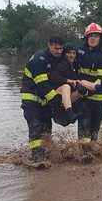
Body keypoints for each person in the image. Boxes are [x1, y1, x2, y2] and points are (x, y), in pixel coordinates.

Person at [20, 36, 65, 168]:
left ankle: (47, 151)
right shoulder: (39, 59)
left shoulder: (56, 60)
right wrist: (56, 99)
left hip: (44, 100)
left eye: (61, 48)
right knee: (35, 126)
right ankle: (37, 157)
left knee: (46, 127)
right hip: (31, 98)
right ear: (49, 45)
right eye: (56, 48)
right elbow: (43, 84)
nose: (58, 51)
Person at [77, 23, 102, 159]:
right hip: (83, 99)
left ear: (100, 38)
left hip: (98, 101)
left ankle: (92, 153)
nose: (93, 38)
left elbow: (101, 80)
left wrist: (89, 85)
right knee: (83, 128)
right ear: (86, 37)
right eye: (90, 35)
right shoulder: (79, 52)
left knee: (94, 131)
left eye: (96, 36)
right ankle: (83, 155)